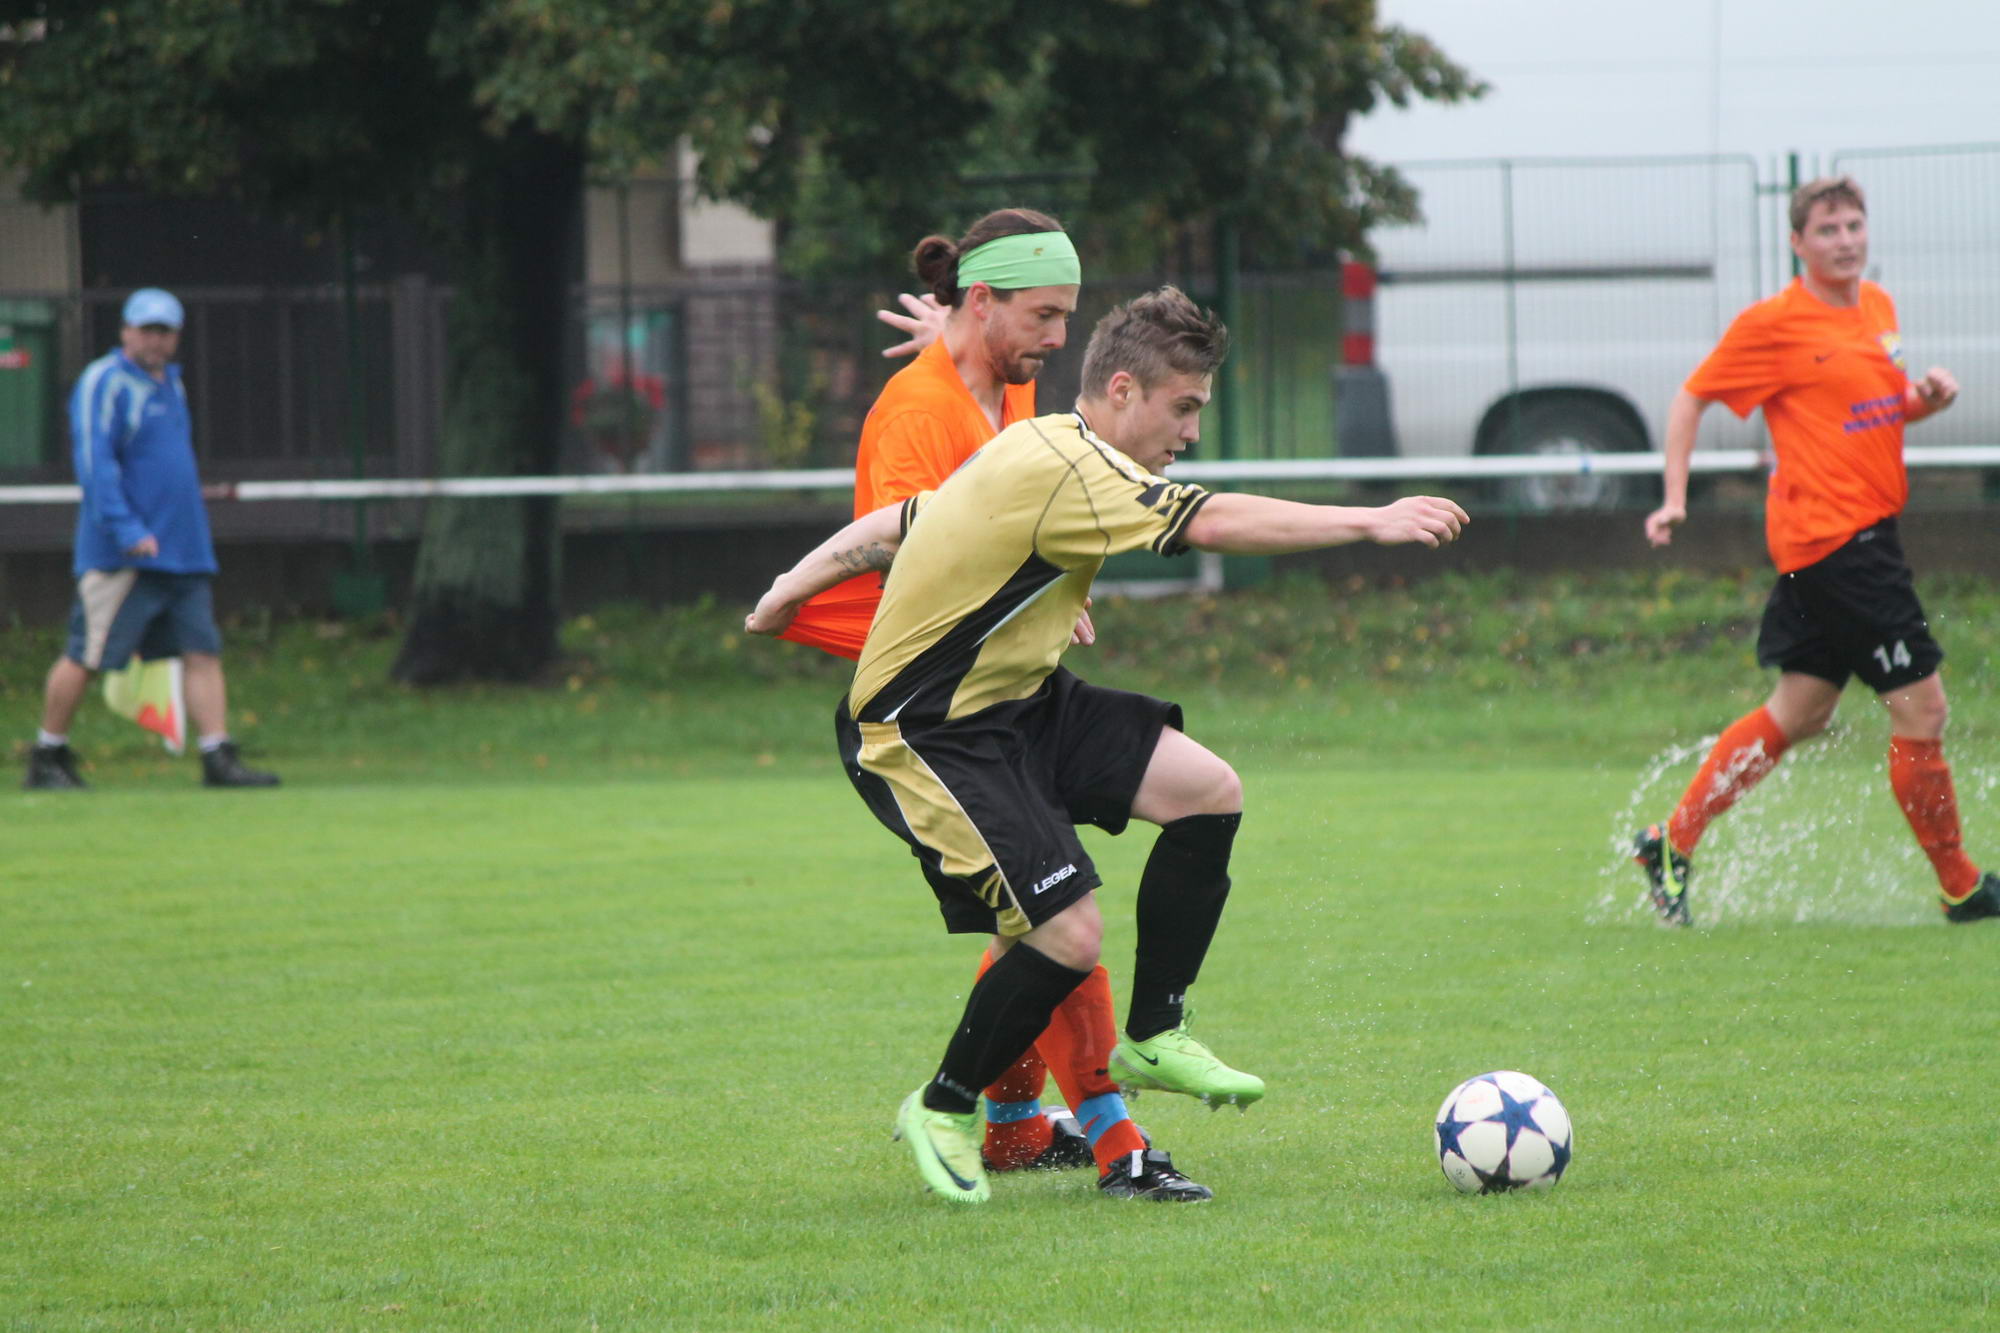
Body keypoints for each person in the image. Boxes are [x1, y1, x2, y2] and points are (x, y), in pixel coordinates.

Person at [747, 287, 1467, 1203]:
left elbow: (902, 522)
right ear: (1123, 390)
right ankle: (944, 1104)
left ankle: (1155, 1033)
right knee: (1067, 931)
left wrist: (787, 585)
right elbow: (1209, 520)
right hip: (927, 728)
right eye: (1184, 407)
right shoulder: (1069, 463)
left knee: (1208, 789)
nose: (1191, 431)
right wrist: (1367, 518)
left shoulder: (1041, 443)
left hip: (1022, 702)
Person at [782, 209, 1155, 1186]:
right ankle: (1111, 1139)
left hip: (996, 691)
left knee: (1039, 913)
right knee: (1055, 913)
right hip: (931, 710)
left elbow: (1012, 497)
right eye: (1043, 315)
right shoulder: (916, 412)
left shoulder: (1002, 378)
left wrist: (964, 352)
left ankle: (1019, 1128)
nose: (1058, 340)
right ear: (982, 301)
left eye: (1064, 315)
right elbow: (908, 555)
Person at [1633, 175, 1995, 926]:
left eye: (1853, 225)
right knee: (1923, 708)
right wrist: (1674, 497)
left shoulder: (1877, 306)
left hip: (1853, 540)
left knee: (1799, 710)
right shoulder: (1774, 324)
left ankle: (1671, 841)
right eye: (1827, 230)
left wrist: (1925, 400)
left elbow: (1872, 410)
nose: (1845, 241)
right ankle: (1961, 886)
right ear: (1797, 243)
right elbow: (1690, 396)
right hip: (1839, 545)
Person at [23, 288, 279, 791]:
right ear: (126, 331)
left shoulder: (170, 384)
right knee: (86, 655)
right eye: (146, 330)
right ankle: (47, 755)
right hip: (124, 555)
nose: (155, 341)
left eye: (165, 331)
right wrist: (127, 528)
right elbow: (95, 463)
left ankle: (217, 756)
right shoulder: (105, 381)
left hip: (183, 550)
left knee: (201, 652)